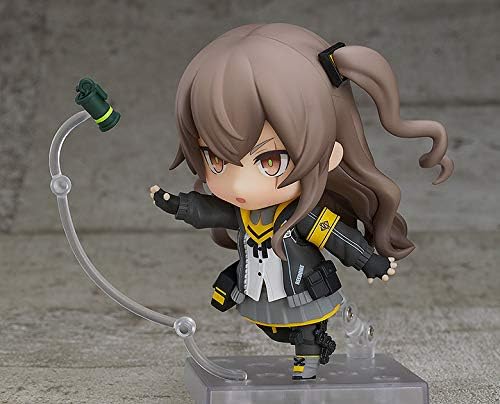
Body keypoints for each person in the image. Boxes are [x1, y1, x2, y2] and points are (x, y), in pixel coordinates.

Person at [149, 23, 453, 380]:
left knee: (305, 329)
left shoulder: (302, 217)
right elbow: (213, 211)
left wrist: (369, 261)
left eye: (269, 161)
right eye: (216, 159)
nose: (239, 182)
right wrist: (180, 205)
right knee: (265, 321)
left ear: (331, 153)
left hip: (302, 288)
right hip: (260, 288)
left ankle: (309, 353)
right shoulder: (243, 212)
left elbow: (337, 238)